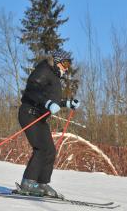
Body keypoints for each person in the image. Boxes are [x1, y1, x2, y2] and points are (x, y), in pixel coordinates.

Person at [17, 49, 80, 198]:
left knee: (50, 150)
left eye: (68, 64)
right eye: (64, 63)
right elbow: (32, 91)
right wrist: (47, 102)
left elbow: (53, 100)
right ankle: (28, 182)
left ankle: (41, 183)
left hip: (40, 116)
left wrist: (67, 103)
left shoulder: (54, 77)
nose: (66, 67)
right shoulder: (43, 70)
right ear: (57, 61)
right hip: (29, 113)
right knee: (40, 148)